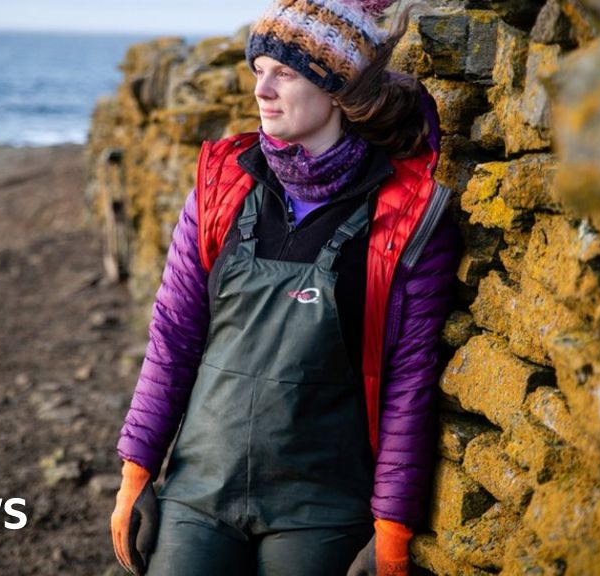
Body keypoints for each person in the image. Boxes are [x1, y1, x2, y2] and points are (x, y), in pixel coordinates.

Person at [111, 0, 462, 574]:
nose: (262, 90)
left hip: (321, 507)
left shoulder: (407, 217)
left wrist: (393, 526)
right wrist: (137, 469)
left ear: (338, 90)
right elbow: (173, 337)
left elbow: (409, 382)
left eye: (286, 73)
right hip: (198, 492)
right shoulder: (221, 187)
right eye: (259, 69)